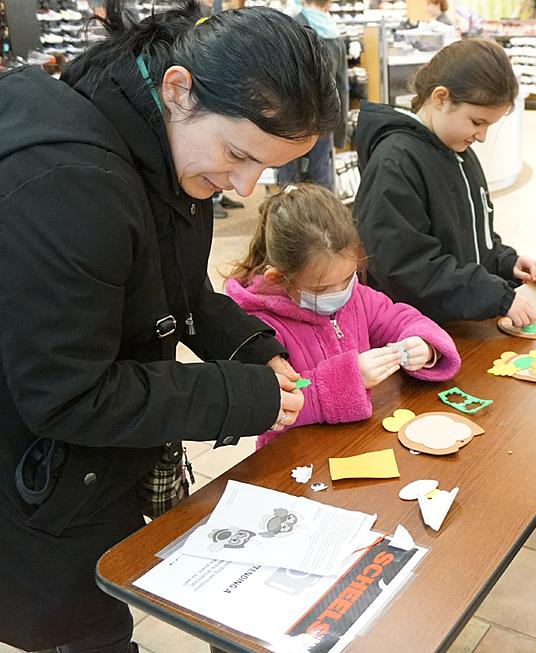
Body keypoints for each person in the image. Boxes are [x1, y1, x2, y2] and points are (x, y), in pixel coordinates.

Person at [0, 0, 341, 649]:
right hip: (35, 472)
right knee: (84, 620)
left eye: (263, 167)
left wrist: (251, 347)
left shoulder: (162, 149)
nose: (244, 188)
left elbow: (175, 288)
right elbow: (70, 394)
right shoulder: (71, 184)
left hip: (85, 468)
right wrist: (241, 397)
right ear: (178, 88)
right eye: (238, 154)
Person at [225, 184, 461, 448]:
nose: (341, 293)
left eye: (348, 277)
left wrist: (424, 345)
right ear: (279, 278)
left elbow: (401, 319)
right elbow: (270, 404)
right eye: (321, 289)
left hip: (359, 442)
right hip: (293, 456)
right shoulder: (258, 326)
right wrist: (351, 379)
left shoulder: (357, 297)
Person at [354, 39, 536, 326]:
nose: (482, 136)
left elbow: (468, 236)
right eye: (477, 122)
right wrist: (493, 295)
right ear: (440, 97)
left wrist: (503, 262)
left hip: (457, 319)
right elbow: (405, 267)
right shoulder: (395, 163)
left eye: (489, 125)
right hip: (414, 333)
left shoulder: (458, 151)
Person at [276, 0, 349, 190]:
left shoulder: (288, 27)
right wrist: (340, 131)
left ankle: (286, 217)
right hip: (321, 116)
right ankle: (323, 218)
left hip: (289, 115)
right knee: (320, 175)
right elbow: (341, 87)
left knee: (289, 177)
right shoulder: (334, 33)